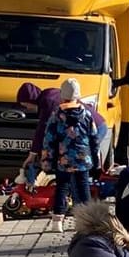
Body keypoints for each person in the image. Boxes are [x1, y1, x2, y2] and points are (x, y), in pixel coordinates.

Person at [41, 78, 103, 228]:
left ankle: (57, 221)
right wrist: (96, 161)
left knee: (62, 187)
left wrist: (47, 160)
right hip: (83, 158)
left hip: (64, 159)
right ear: (78, 96)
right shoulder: (86, 114)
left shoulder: (56, 115)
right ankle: (87, 221)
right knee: (83, 188)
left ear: (62, 95)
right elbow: (94, 139)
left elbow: (48, 139)